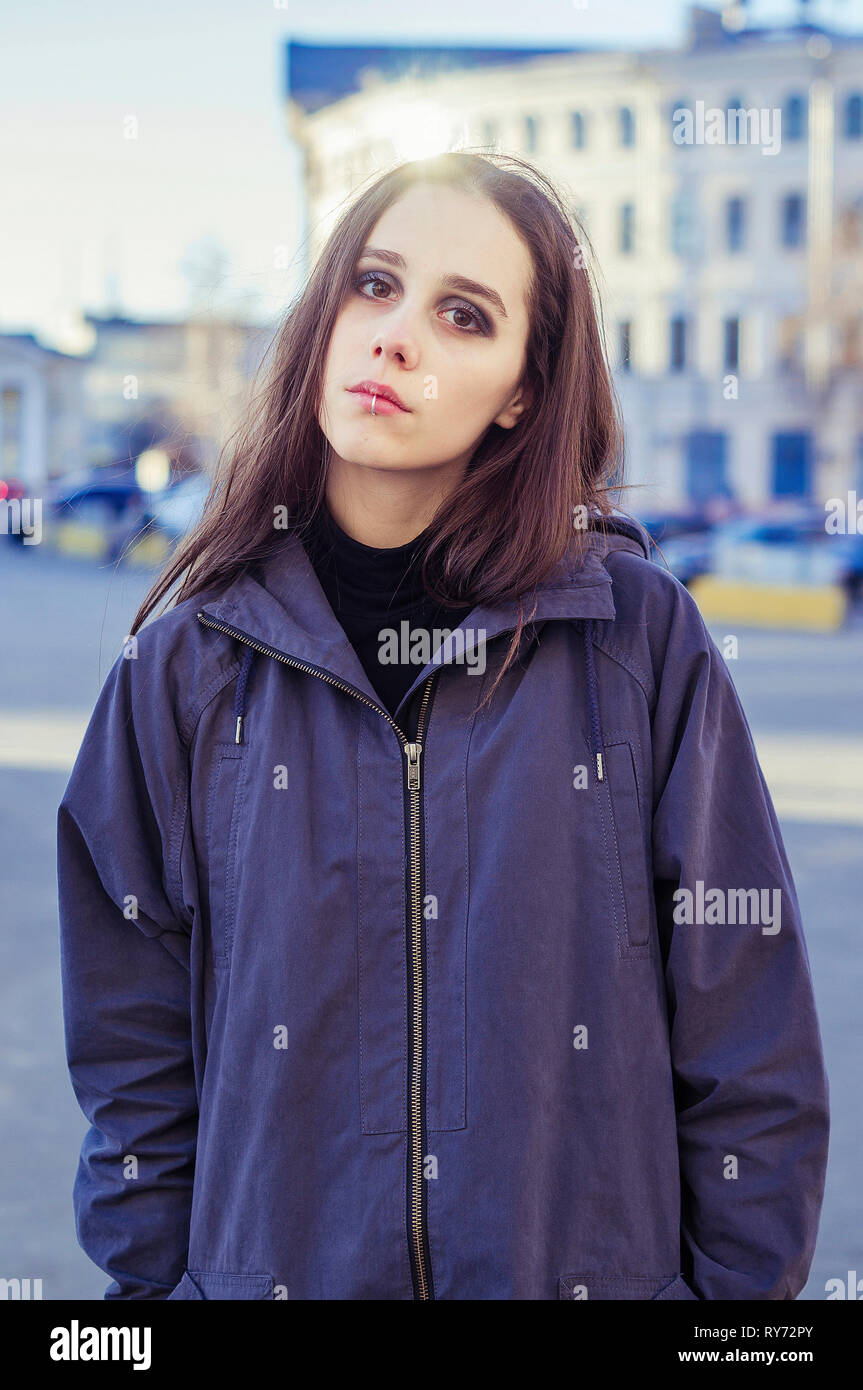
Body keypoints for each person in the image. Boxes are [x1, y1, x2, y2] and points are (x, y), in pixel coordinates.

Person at [57, 151, 829, 1301]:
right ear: (323, 317)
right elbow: (132, 1048)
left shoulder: (632, 637)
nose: (397, 336)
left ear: (523, 385)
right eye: (374, 285)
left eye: (463, 315)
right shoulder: (184, 661)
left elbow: (743, 1027)